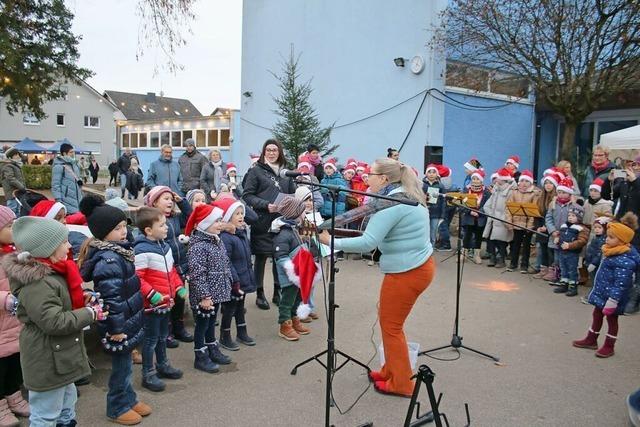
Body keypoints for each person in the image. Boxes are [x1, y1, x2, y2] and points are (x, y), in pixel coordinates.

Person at [319, 158, 434, 397]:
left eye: (370, 174)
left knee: (392, 327)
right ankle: (390, 370)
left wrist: (332, 241)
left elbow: (368, 242)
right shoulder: (403, 196)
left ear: (383, 179)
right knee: (389, 324)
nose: (365, 177)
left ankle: (401, 383)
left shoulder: (391, 204)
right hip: (414, 268)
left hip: (407, 272)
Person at [4, 216, 102, 427]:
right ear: (46, 248)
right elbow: (53, 321)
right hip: (47, 357)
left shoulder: (56, 271)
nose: (68, 245)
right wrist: (89, 314)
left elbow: (59, 303)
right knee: (46, 414)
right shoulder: (37, 282)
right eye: (63, 241)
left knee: (67, 404)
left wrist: (81, 298)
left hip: (60, 356)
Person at [77, 197, 148, 425]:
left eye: (124, 227)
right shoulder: (109, 259)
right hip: (118, 324)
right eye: (117, 229)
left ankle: (129, 398)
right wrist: (116, 328)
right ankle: (117, 406)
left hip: (127, 318)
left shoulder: (120, 251)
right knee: (121, 369)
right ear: (103, 233)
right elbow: (111, 298)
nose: (124, 232)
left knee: (126, 366)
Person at [133, 207, 186, 392]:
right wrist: (152, 294)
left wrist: (178, 286)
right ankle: (148, 373)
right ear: (148, 230)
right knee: (151, 340)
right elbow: (138, 278)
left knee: (163, 336)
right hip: (152, 305)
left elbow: (171, 271)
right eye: (162, 225)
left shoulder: (165, 246)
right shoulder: (140, 250)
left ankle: (163, 365)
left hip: (166, 302)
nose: (167, 228)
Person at [572, 213, 640, 358]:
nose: (607, 239)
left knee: (612, 319)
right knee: (596, 314)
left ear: (622, 240)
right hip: (602, 292)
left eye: (611, 237)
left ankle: (609, 345)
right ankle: (591, 339)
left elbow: (621, 284)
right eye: (607, 236)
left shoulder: (625, 259)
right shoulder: (610, 250)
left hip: (613, 298)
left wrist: (613, 300)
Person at [241, 139, 296, 310]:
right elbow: (247, 195)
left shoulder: (285, 173)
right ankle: (260, 293)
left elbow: (292, 193)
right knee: (261, 257)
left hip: (282, 221)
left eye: (274, 150)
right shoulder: (256, 171)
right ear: (264, 152)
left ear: (279, 152)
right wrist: (266, 205)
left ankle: (277, 292)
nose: (271, 153)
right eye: (268, 150)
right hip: (262, 220)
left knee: (279, 256)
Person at [183, 204, 234, 372]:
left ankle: (212, 347)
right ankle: (200, 355)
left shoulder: (216, 241)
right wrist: (205, 296)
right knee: (202, 324)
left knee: (212, 322)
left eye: (220, 220)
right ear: (204, 224)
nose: (220, 224)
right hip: (205, 296)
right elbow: (197, 274)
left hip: (217, 292)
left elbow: (225, 263)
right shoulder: (198, 246)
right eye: (216, 221)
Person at [143, 186, 193, 347]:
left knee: (179, 298)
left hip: (179, 265)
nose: (170, 201)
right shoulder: (152, 221)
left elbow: (191, 217)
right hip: (162, 267)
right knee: (166, 300)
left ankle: (179, 327)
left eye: (171, 199)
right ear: (154, 202)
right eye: (165, 198)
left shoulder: (174, 218)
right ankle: (168, 331)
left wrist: (182, 201)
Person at [0, 207, 30, 426]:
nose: (14, 229)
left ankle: (14, 397)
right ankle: (1, 405)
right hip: (2, 323)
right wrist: (5, 299)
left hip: (15, 321)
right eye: (9, 226)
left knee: (14, 363)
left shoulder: (13, 252)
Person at [215, 198, 257, 348]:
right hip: (233, 280)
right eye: (236, 214)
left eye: (241, 213)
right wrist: (235, 280)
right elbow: (227, 261)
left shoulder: (241, 232)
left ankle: (242, 332)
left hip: (243, 277)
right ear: (227, 217)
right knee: (230, 308)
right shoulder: (226, 237)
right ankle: (224, 336)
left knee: (240, 307)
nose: (241, 216)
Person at [271, 196, 312, 341]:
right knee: (287, 300)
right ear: (294, 213)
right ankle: (285, 324)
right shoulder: (283, 233)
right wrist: (292, 270)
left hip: (299, 273)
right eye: (302, 211)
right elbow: (280, 256)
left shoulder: (293, 229)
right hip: (290, 275)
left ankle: (294, 319)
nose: (304, 214)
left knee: (298, 297)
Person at [505, 170, 540, 273]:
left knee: (526, 245)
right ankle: (513, 263)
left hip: (528, 224)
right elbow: (508, 208)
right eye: (522, 181)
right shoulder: (514, 192)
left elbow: (534, 210)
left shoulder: (534, 194)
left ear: (530, 182)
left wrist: (530, 225)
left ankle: (524, 264)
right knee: (516, 244)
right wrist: (509, 222)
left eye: (526, 181)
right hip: (516, 222)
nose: (524, 183)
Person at [544, 177, 575, 284]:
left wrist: (566, 231)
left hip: (567, 236)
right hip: (555, 235)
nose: (561, 195)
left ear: (569, 193)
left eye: (564, 192)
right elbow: (548, 218)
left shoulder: (573, 206)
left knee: (566, 258)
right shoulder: (553, 204)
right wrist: (552, 231)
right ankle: (557, 275)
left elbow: (575, 220)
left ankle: (565, 277)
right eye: (559, 192)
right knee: (557, 258)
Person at [553, 204, 589, 297]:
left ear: (579, 217)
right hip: (562, 251)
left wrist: (570, 245)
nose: (570, 218)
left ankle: (573, 287)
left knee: (572, 270)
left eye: (573, 216)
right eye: (569, 215)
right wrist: (557, 238)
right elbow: (560, 234)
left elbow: (582, 241)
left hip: (572, 253)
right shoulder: (564, 225)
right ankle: (564, 284)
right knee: (563, 268)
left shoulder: (581, 228)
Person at [482, 168, 515, 269]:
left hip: (502, 219)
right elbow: (488, 205)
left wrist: (503, 218)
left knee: (501, 241)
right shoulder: (496, 189)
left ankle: (501, 259)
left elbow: (509, 207)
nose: (496, 180)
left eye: (498, 178)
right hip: (492, 218)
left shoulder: (510, 191)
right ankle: (493, 257)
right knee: (490, 239)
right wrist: (490, 214)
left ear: (503, 179)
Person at [461, 169, 490, 264]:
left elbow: (488, 205)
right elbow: (462, 204)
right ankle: (463, 253)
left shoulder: (486, 192)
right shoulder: (466, 190)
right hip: (469, 217)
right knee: (467, 236)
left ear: (481, 180)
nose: (475, 180)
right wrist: (470, 211)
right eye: (473, 178)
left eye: (477, 179)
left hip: (480, 218)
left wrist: (480, 212)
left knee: (478, 237)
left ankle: (476, 255)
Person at [533, 171, 559, 278]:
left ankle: (552, 271)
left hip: (551, 228)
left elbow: (552, 216)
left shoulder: (556, 199)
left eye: (550, 183)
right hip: (542, 228)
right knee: (542, 249)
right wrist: (538, 227)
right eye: (546, 183)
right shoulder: (540, 199)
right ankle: (543, 269)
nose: (548, 185)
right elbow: (537, 214)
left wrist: (546, 227)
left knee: (550, 251)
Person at [51, 143, 84, 214]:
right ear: (64, 153)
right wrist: (58, 199)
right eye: (71, 152)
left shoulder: (75, 164)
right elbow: (55, 184)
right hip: (66, 200)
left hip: (78, 199)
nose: (73, 154)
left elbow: (78, 178)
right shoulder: (59, 166)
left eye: (73, 152)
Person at [422, 164, 445, 245]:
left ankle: (432, 248)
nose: (431, 174)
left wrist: (442, 215)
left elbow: (443, 201)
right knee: (424, 232)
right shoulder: (422, 184)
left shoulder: (440, 186)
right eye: (429, 172)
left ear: (437, 174)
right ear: (426, 173)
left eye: (433, 172)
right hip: (424, 212)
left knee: (433, 232)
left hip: (436, 213)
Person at [0, 147, 26, 217]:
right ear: (10, 156)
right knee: (12, 212)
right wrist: (22, 187)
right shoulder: (7, 165)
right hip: (11, 193)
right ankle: (11, 227)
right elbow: (10, 178)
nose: (18, 156)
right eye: (16, 155)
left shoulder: (15, 164)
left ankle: (16, 227)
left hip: (17, 192)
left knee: (18, 211)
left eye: (18, 154)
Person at [584, 216, 610, 286]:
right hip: (591, 261)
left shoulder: (603, 240)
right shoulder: (595, 237)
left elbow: (600, 253)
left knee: (596, 280)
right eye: (595, 227)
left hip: (597, 264)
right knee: (592, 279)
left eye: (599, 227)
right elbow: (590, 249)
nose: (596, 229)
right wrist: (587, 259)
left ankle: (594, 295)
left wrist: (594, 263)